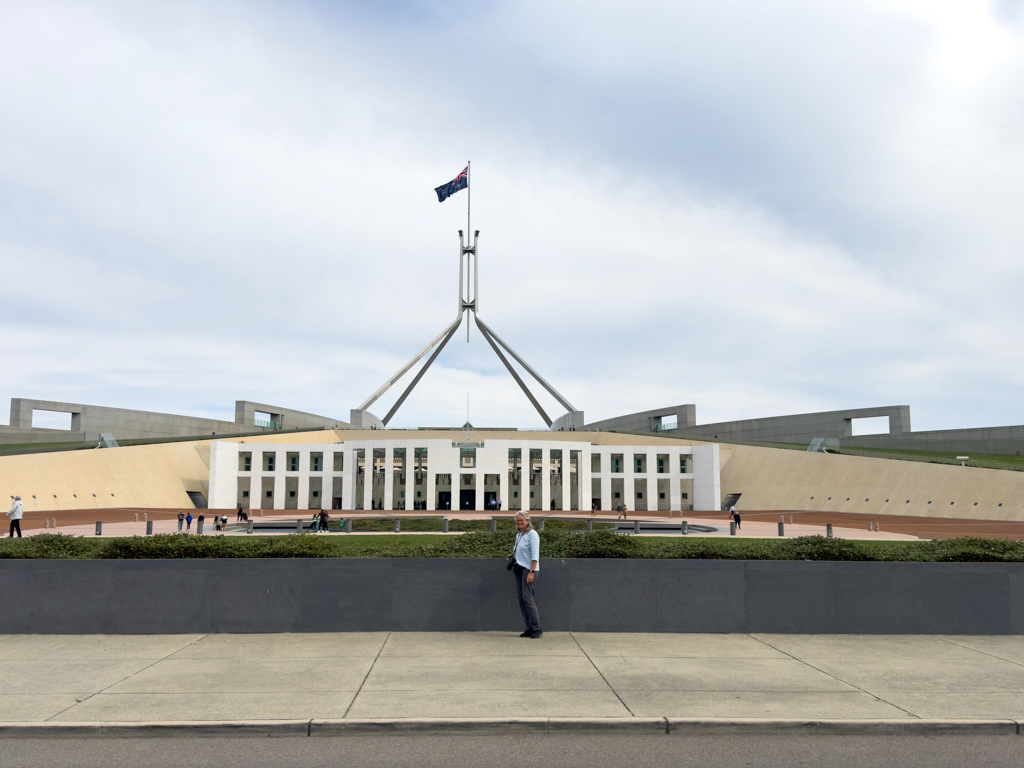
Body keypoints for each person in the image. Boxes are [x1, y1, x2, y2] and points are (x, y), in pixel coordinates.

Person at [512, 511, 542, 639]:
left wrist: (532, 572)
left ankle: (536, 628)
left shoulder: (532, 534)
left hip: (529, 569)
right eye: (517, 520)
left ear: (527, 521)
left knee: (528, 599)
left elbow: (535, 555)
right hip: (519, 569)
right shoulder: (519, 535)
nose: (519, 522)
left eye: (522, 520)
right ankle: (528, 627)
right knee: (521, 600)